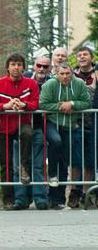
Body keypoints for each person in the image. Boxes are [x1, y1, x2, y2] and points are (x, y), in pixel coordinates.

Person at [0, 53, 39, 210]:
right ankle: (8, 198)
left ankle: (23, 165)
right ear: (7, 67)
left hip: (23, 123)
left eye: (19, 64)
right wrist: (5, 106)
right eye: (13, 64)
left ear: (23, 67)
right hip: (4, 126)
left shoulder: (31, 84)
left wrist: (24, 105)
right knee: (5, 164)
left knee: (28, 133)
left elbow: (36, 102)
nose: (16, 67)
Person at [39, 62, 91, 210]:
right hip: (52, 122)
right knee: (56, 141)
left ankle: (58, 200)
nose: (65, 76)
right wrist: (61, 106)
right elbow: (42, 104)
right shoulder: (50, 84)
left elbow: (86, 103)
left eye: (67, 73)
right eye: (61, 74)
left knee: (64, 162)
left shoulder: (79, 84)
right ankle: (52, 173)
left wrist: (72, 104)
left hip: (70, 125)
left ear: (72, 73)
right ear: (56, 73)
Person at [13, 55, 52, 210]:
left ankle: (40, 198)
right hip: (18, 131)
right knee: (20, 166)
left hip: (37, 129)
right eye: (38, 65)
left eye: (45, 66)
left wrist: (24, 104)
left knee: (38, 166)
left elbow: (37, 103)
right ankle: (21, 199)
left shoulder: (38, 84)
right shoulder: (21, 82)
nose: (41, 68)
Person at [70, 46, 97, 208]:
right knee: (75, 159)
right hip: (76, 123)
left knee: (90, 160)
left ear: (91, 58)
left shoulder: (97, 73)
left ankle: (87, 193)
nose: (82, 57)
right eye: (79, 55)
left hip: (93, 123)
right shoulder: (71, 75)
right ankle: (74, 192)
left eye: (85, 54)